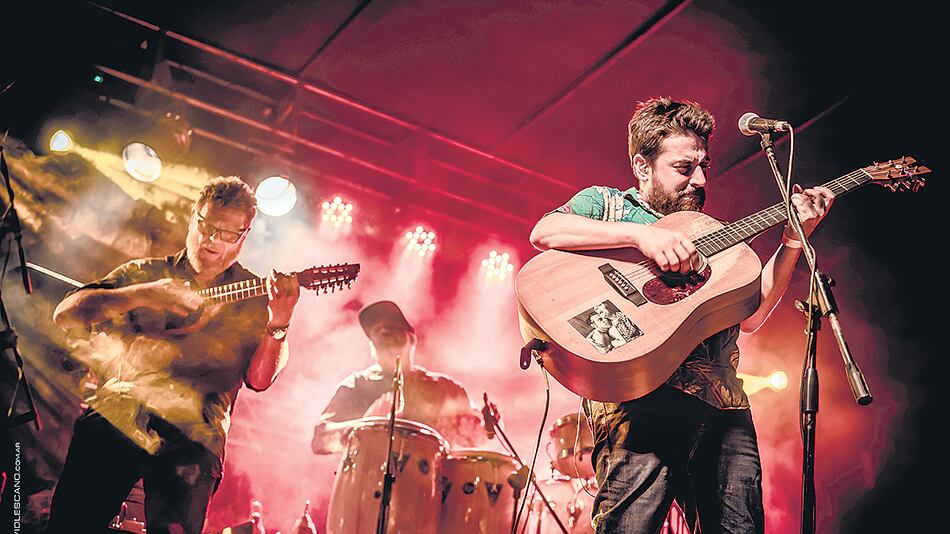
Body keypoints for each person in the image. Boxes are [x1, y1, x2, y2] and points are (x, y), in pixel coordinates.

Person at [529, 97, 834, 533]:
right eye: (684, 167)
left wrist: (792, 241)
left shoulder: (710, 235)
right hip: (639, 397)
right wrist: (640, 237)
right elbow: (545, 231)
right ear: (642, 166)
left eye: (704, 165)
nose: (700, 179)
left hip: (724, 406)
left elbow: (751, 316)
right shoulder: (609, 204)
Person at [47, 176, 301, 534]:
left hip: (195, 431)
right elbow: (67, 314)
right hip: (121, 411)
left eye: (228, 233)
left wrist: (280, 323)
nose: (213, 240)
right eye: (206, 226)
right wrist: (146, 294)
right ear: (193, 217)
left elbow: (260, 380)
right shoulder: (146, 274)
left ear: (244, 237)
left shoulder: (256, 297)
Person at [311, 300, 484, 454]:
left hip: (433, 485)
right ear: (371, 347)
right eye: (376, 331)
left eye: (391, 327)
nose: (384, 331)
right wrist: (365, 426)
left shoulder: (446, 389)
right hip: (369, 484)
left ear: (411, 339)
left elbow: (477, 438)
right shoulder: (357, 385)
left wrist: (488, 428)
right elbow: (320, 440)